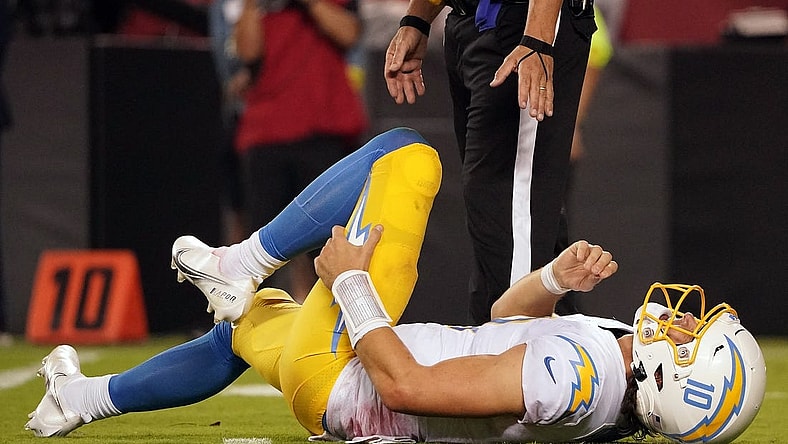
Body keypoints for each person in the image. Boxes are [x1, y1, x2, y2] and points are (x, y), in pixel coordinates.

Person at [26, 128, 766, 442]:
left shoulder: (576, 376)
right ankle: (78, 402)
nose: (681, 324)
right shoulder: (607, 373)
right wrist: (549, 279)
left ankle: (243, 259)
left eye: (691, 340)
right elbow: (503, 325)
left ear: (679, 380)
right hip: (338, 384)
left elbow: (408, 387)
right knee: (247, 324)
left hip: (353, 374)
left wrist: (352, 286)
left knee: (409, 159)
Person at [385, 0, 597, 322]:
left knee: (510, 216)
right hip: (467, 22)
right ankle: (574, 360)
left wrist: (537, 38)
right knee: (509, 216)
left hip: (523, 25)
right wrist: (418, 17)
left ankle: (513, 363)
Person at [231, 0, 368, 303]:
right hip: (266, 133)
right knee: (259, 245)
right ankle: (245, 329)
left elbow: (349, 33)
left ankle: (335, 323)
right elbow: (247, 53)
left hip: (323, 131)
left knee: (331, 242)